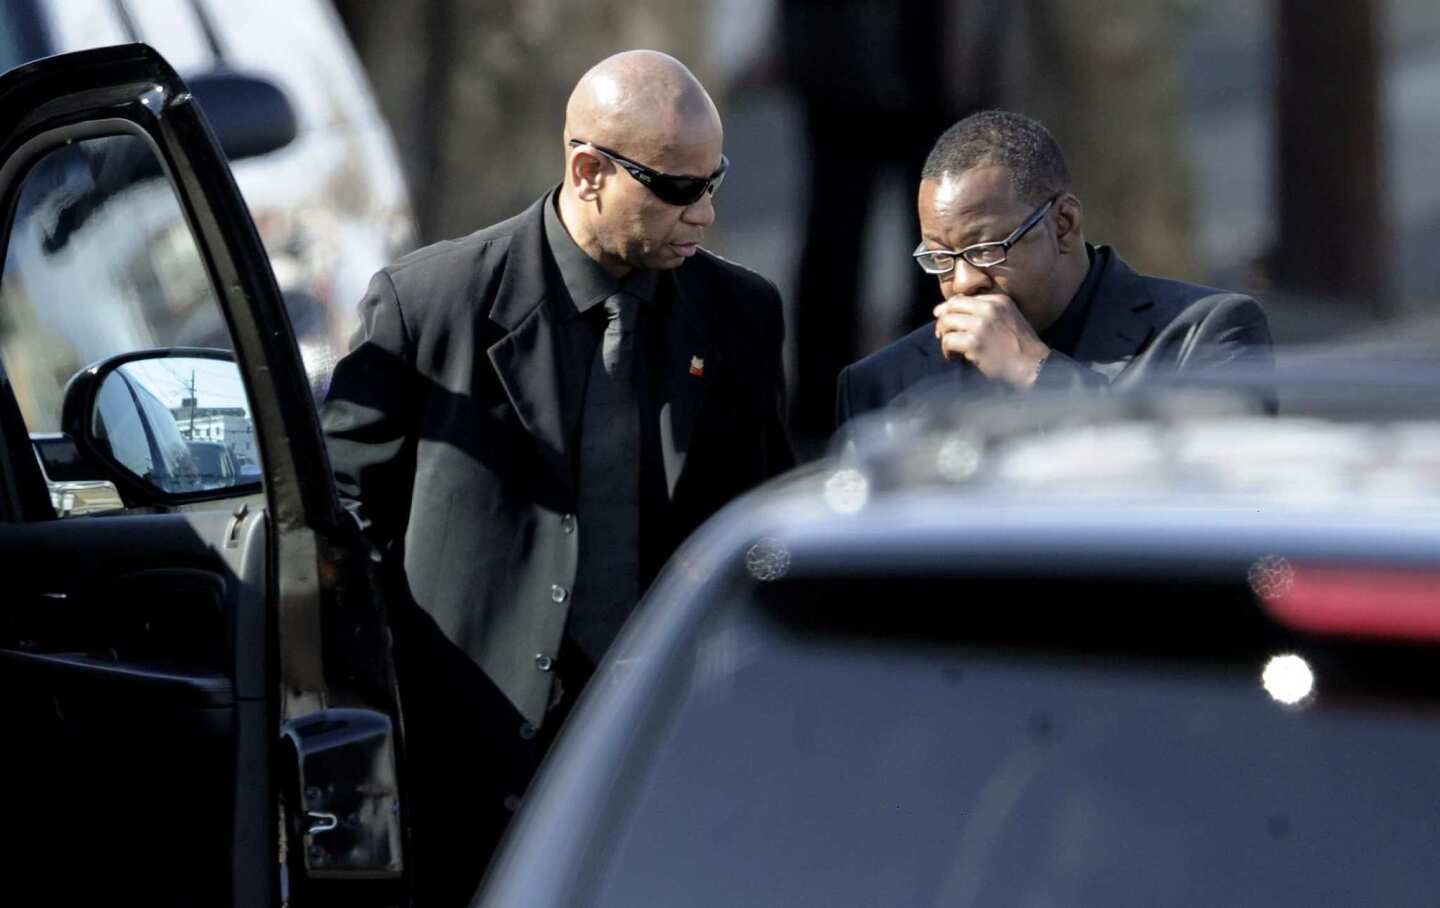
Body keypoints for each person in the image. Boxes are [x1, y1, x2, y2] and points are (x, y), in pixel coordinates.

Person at [321, 50, 793, 906]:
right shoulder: (430, 305)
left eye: (714, 179)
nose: (708, 213)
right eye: (680, 189)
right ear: (588, 172)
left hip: (659, 764)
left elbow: (762, 522)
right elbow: (342, 536)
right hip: (466, 778)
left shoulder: (740, 318)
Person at [836, 110, 1273, 426]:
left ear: (1063, 225)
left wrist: (1035, 371)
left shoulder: (1204, 335)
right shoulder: (885, 384)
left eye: (986, 249)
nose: (964, 283)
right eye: (942, 259)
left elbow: (1206, 498)